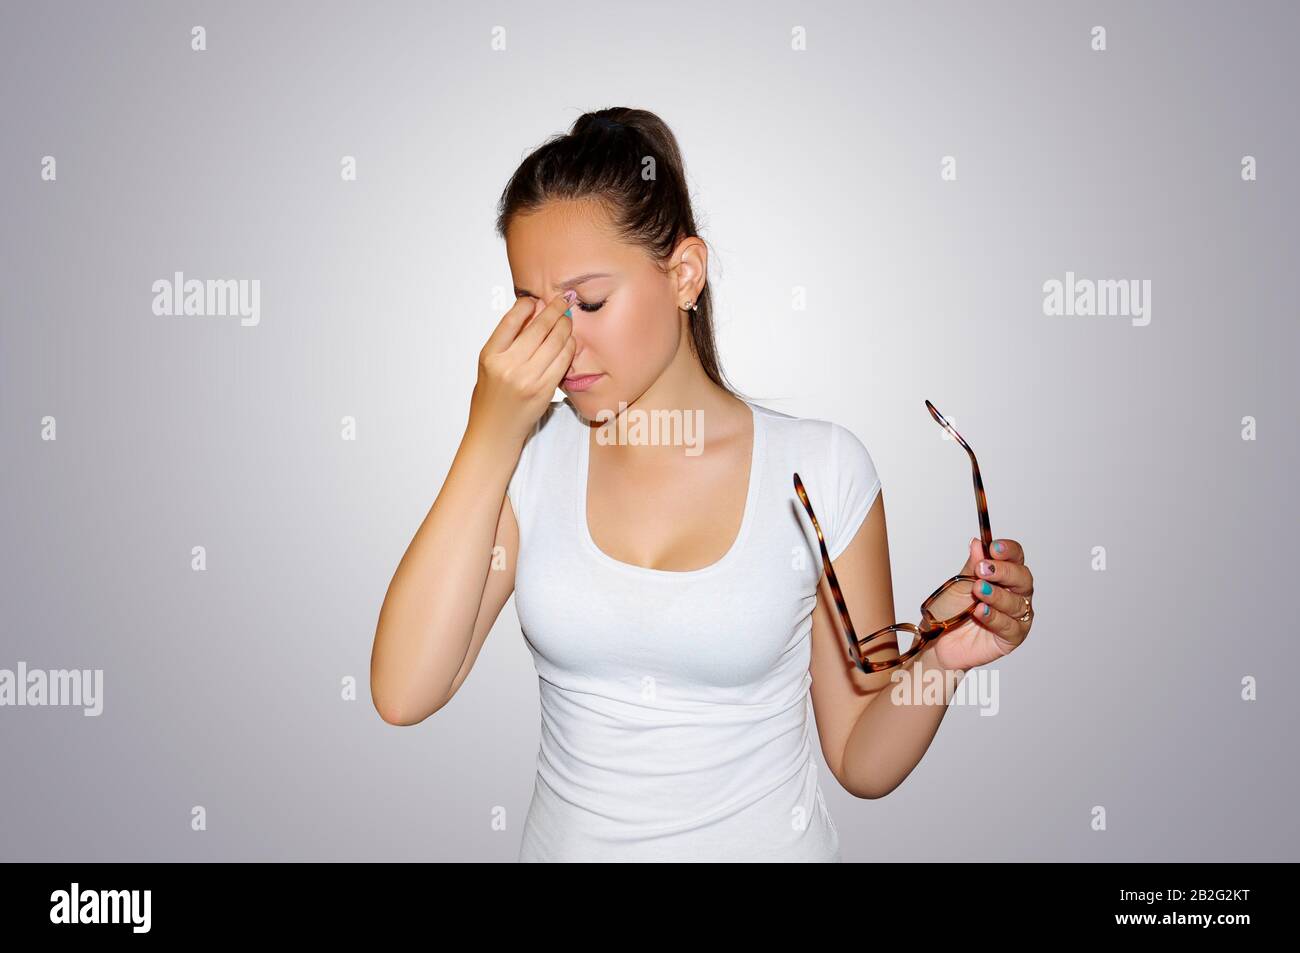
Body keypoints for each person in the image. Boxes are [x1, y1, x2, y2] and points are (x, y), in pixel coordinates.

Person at [370, 107, 1037, 862]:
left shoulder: (820, 470)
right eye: (531, 308)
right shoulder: (526, 463)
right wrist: (488, 433)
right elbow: (404, 692)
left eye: (588, 302)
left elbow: (859, 756)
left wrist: (942, 659)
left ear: (683, 273)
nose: (560, 340)